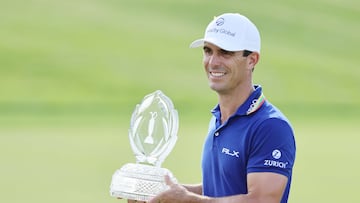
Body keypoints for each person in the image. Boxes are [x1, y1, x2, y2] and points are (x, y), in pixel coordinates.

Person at [132, 12, 296, 203]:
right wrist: (161, 193)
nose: (213, 62)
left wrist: (189, 200)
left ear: (252, 60)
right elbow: (220, 189)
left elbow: (261, 200)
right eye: (208, 51)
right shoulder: (219, 118)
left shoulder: (270, 126)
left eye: (225, 52)